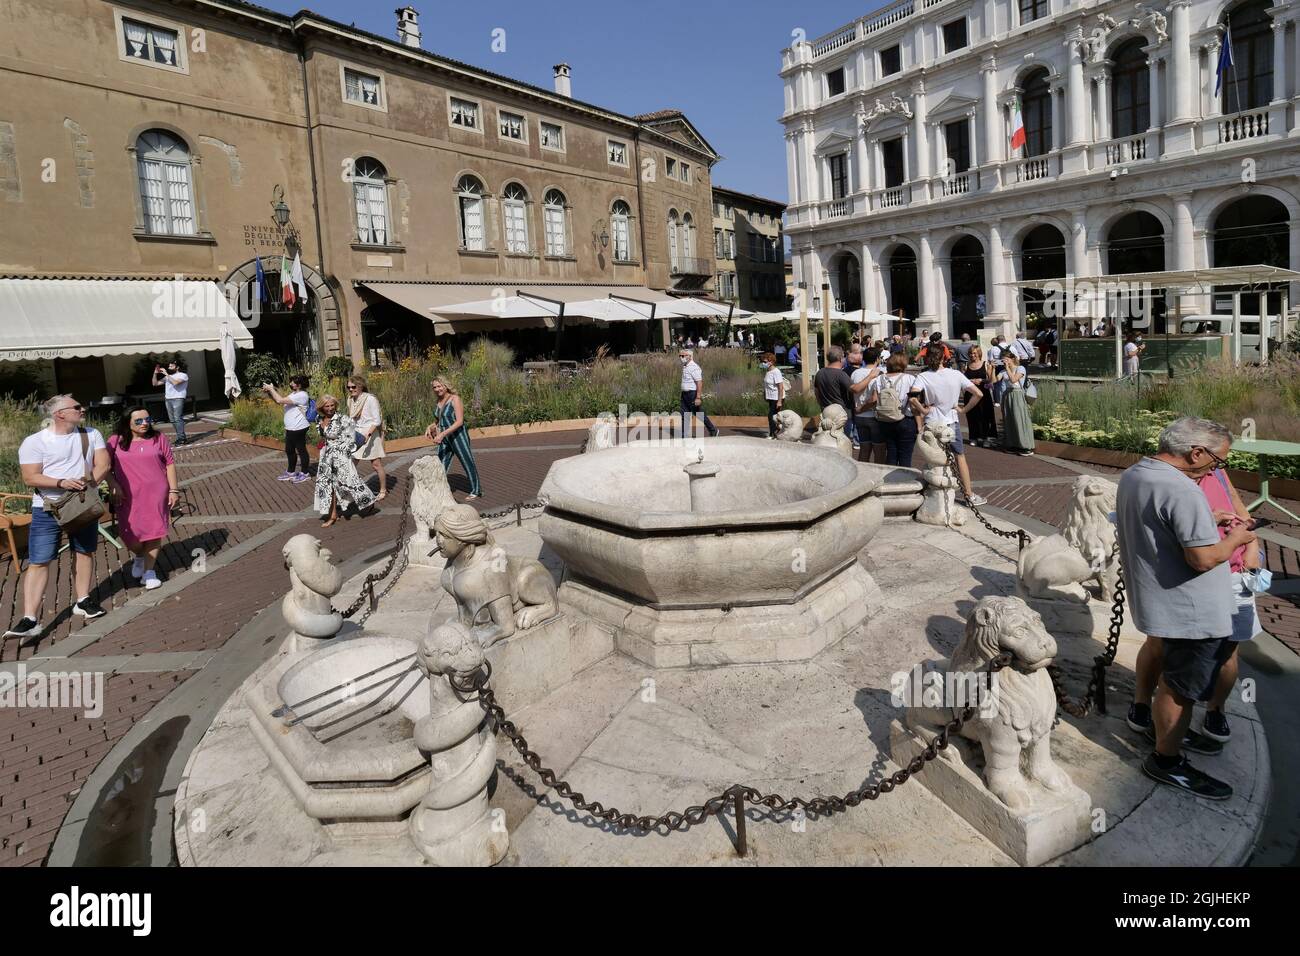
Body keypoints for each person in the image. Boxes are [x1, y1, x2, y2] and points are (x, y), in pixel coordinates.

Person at [1120, 417, 1255, 799]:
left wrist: (1207, 519)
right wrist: (1237, 539)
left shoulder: (1137, 473)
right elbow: (1201, 558)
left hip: (1160, 601)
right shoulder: (1183, 490)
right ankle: (1166, 760)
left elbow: (1158, 524)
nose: (1217, 468)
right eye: (1217, 460)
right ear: (1195, 453)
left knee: (1172, 679)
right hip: (1190, 611)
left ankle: (1163, 732)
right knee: (1180, 689)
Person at [4, 395, 111, 643]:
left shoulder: (90, 434)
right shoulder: (34, 442)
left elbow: (103, 464)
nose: (82, 408)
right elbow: (31, 477)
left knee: (84, 551)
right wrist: (61, 483)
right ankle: (29, 618)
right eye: (76, 407)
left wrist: (86, 486)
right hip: (47, 508)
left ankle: (83, 601)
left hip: (81, 503)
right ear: (59, 414)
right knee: (40, 560)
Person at [1195, 466, 1264, 742]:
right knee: (1173, 646)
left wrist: (1251, 548)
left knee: (1228, 648)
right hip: (1196, 573)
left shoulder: (1218, 472)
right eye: (1217, 455)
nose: (1220, 462)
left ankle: (1216, 708)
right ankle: (1154, 704)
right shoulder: (1175, 477)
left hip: (1235, 574)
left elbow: (1242, 512)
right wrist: (1209, 521)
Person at [106, 406, 177, 591]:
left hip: (156, 493)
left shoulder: (158, 438)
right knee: (129, 535)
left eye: (147, 419)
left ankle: (149, 572)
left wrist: (174, 490)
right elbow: (104, 467)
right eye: (139, 421)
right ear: (127, 422)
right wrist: (113, 484)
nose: (145, 423)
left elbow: (169, 463)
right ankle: (140, 556)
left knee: (155, 531)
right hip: (127, 495)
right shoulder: (115, 441)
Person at [914, 346, 986, 505]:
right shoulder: (956, 374)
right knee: (959, 456)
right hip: (950, 422)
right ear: (944, 358)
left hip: (932, 422)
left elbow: (912, 397)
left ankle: (934, 493)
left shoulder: (923, 376)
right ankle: (968, 494)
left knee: (933, 458)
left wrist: (923, 410)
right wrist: (963, 409)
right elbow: (978, 394)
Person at [314, 394, 376, 526]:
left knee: (350, 481)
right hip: (326, 457)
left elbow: (353, 438)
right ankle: (333, 515)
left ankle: (368, 500)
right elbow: (323, 436)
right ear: (322, 407)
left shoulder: (343, 419)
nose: (330, 408)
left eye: (332, 405)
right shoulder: (319, 419)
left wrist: (343, 449)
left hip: (341, 456)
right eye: (327, 406)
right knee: (327, 485)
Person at [425, 377, 482, 498]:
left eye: (439, 386)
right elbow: (439, 420)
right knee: (441, 463)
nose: (437, 389)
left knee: (467, 461)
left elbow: (459, 421)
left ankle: (476, 490)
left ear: (445, 385)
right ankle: (439, 490)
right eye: (434, 387)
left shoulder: (454, 399)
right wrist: (430, 427)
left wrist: (442, 434)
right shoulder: (438, 401)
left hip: (458, 436)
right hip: (445, 438)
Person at [868, 352, 922, 467]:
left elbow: (874, 400)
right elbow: (913, 404)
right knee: (905, 456)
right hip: (905, 418)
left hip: (885, 420)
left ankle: (891, 482)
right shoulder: (910, 379)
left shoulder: (880, 379)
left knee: (891, 453)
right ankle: (905, 481)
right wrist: (919, 424)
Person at [264, 376, 312, 483]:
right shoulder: (294, 394)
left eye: (293, 382)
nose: (290, 383)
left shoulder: (302, 395)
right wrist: (269, 392)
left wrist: (272, 389)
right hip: (291, 427)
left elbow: (279, 399)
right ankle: (290, 472)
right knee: (289, 450)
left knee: (301, 450)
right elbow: (279, 401)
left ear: (299, 384)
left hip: (299, 427)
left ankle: (305, 473)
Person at [347, 375, 387, 502]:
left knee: (376, 464)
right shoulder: (351, 399)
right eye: (348, 387)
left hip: (370, 434)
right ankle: (353, 488)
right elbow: (351, 418)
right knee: (351, 464)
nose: (351, 389)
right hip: (357, 433)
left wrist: (367, 435)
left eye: (353, 387)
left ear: (360, 386)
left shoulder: (370, 399)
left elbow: (377, 420)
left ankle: (383, 490)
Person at [850, 347, 885, 463]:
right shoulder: (880, 373)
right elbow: (874, 399)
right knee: (879, 451)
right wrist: (862, 408)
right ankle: (878, 478)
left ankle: (862, 474)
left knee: (864, 449)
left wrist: (858, 409)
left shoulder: (855, 373)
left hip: (860, 417)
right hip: (874, 416)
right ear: (877, 359)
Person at [999, 353, 1035, 456]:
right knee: (1009, 420)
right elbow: (994, 380)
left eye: (1006, 359)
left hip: (1018, 394)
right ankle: (1012, 444)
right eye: (1003, 359)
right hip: (1007, 395)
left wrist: (1007, 368)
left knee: (1019, 419)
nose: (1004, 361)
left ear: (1012, 359)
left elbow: (1014, 379)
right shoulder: (1004, 371)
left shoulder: (1021, 368)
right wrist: (991, 368)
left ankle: (1025, 446)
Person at [963, 344, 997, 448]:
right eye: (970, 353)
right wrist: (971, 381)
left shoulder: (985, 364)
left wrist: (982, 380)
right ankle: (974, 437)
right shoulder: (966, 365)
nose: (972, 355)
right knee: (972, 415)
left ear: (979, 354)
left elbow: (991, 380)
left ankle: (986, 437)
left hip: (984, 394)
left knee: (985, 415)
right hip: (970, 394)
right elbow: (962, 380)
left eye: (974, 353)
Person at [152, 357, 190, 445]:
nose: (169, 367)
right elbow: (155, 383)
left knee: (177, 418)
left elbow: (175, 383)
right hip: (168, 399)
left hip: (178, 398)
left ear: (177, 367)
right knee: (172, 420)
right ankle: (180, 437)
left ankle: (182, 439)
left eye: (171, 366)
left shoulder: (183, 375)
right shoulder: (167, 377)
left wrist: (166, 374)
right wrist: (155, 373)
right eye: (169, 366)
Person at [813, 345, 854, 426]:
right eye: (844, 356)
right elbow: (853, 390)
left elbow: (816, 392)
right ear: (840, 358)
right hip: (841, 416)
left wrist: (822, 406)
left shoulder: (819, 373)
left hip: (826, 413)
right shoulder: (841, 374)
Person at [762, 352, 785, 439]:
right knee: (774, 417)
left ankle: (773, 435)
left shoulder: (776, 372)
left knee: (771, 416)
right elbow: (767, 385)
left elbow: (780, 387)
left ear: (771, 362)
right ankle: (775, 433)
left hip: (776, 397)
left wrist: (779, 401)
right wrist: (765, 394)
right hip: (771, 397)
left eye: (765, 362)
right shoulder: (768, 371)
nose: (763, 364)